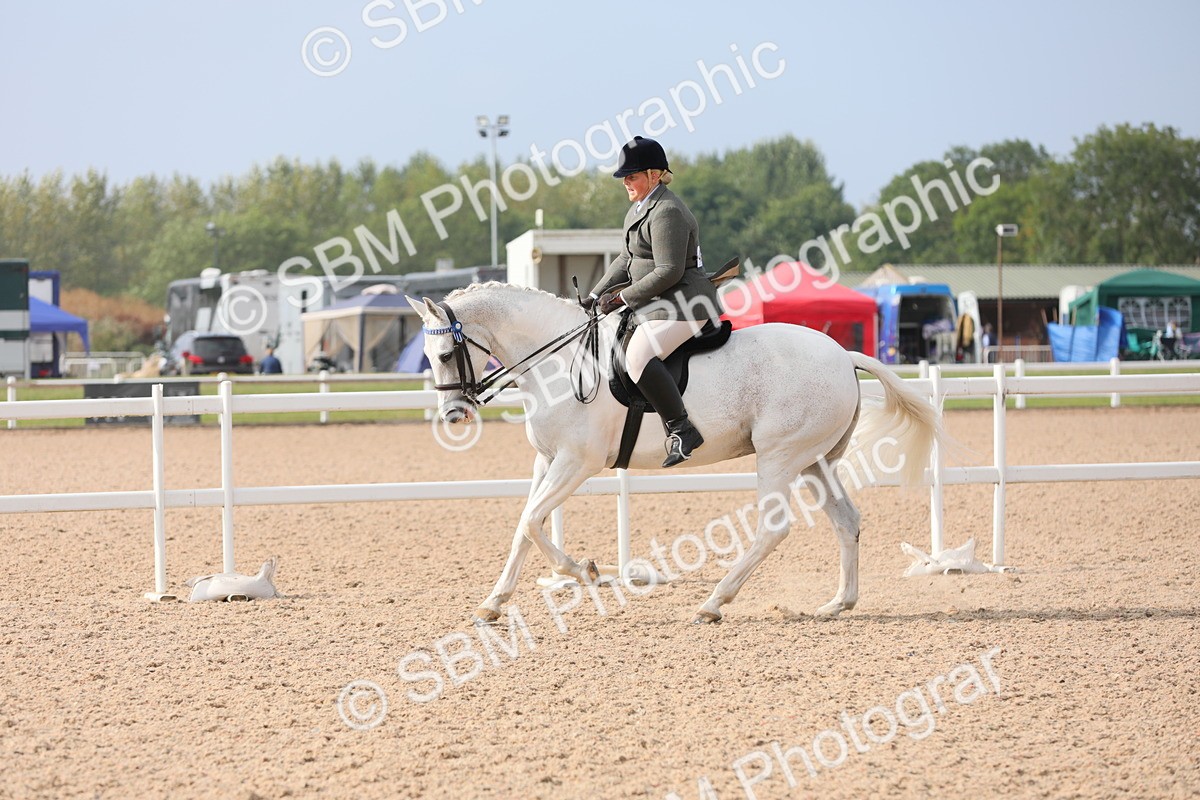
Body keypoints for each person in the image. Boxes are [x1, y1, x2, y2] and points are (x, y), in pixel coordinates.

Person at [583, 136, 722, 467]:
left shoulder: (668, 211)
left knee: (638, 355)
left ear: (655, 175)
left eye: (632, 176)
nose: (627, 183)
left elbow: (669, 271)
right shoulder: (640, 209)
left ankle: (682, 429)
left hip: (686, 304)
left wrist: (622, 297)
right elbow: (624, 260)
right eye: (625, 178)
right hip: (661, 302)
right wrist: (593, 295)